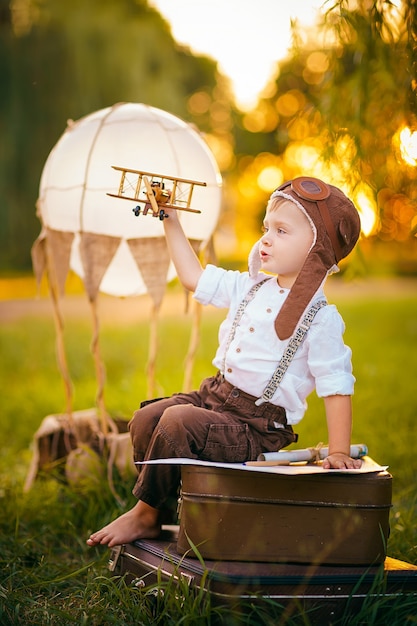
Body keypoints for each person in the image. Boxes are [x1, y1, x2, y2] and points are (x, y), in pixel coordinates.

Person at [87, 176, 362, 549]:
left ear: (317, 249)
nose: (265, 239)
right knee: (147, 418)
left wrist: (340, 450)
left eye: (281, 231)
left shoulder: (320, 319)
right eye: (266, 228)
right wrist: (169, 217)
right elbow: (192, 276)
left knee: (177, 423)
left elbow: (336, 384)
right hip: (213, 394)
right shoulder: (248, 286)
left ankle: (144, 514)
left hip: (256, 424)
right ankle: (166, 508)